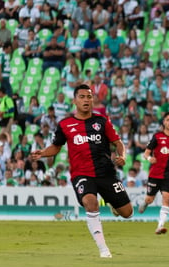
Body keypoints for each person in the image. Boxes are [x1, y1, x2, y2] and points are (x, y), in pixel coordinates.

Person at [31, 84, 133, 258]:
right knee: (90, 202)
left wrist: (121, 155)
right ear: (75, 100)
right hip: (82, 174)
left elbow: (118, 142)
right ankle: (104, 250)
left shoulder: (102, 121)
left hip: (106, 174)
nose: (86, 100)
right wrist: (43, 153)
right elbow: (56, 147)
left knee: (127, 213)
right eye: (82, 97)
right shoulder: (65, 124)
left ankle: (111, 204)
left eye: (89, 97)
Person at [138, 112, 169, 234]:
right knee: (150, 199)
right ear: (164, 122)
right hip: (155, 174)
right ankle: (145, 202)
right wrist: (150, 159)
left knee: (167, 197)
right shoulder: (157, 136)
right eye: (168, 120)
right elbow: (146, 153)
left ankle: (160, 226)